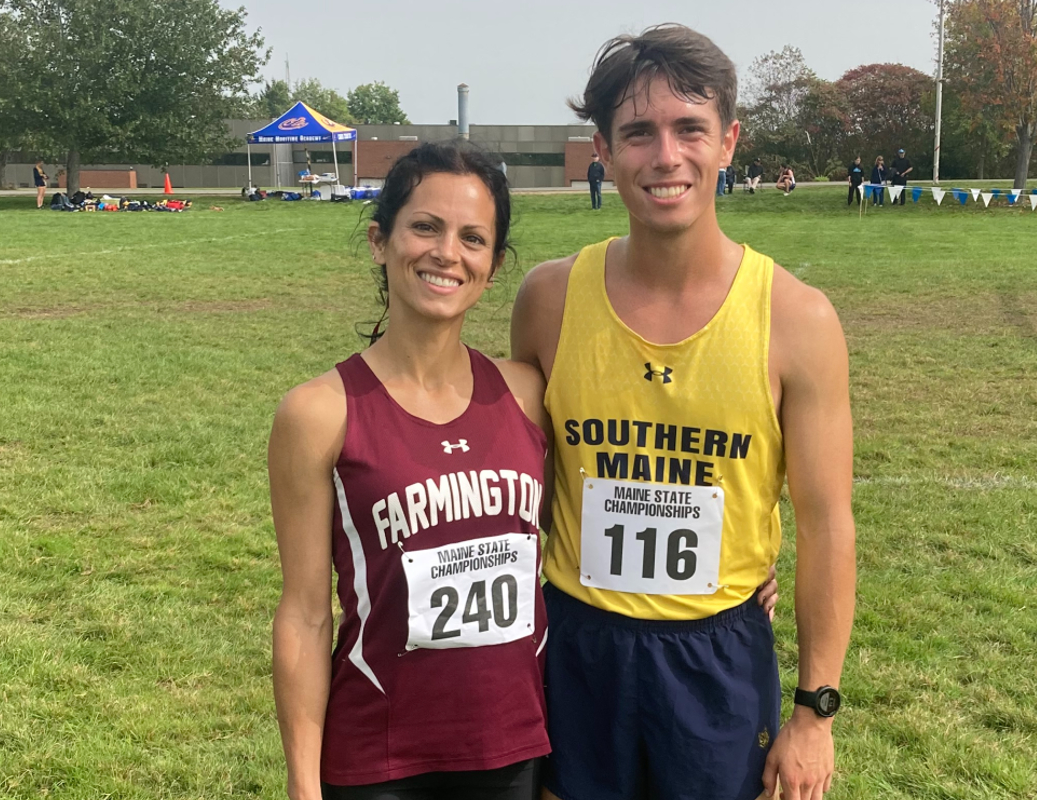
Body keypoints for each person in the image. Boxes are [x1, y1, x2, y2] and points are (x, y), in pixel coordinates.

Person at [511, 24, 856, 800]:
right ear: (603, 151)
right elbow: (522, 477)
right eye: (638, 133)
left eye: (690, 129)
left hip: (717, 657)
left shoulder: (798, 320)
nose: (666, 156)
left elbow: (828, 523)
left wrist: (816, 714)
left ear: (728, 142)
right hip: (577, 646)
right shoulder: (549, 300)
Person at [269, 141, 553, 800]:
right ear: (380, 241)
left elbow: (582, 533)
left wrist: (744, 560)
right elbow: (305, 615)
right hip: (379, 758)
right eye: (425, 226)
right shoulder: (319, 413)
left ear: (494, 266)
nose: (447, 253)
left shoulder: (526, 394)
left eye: (472, 238)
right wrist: (303, 785)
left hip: (512, 747)